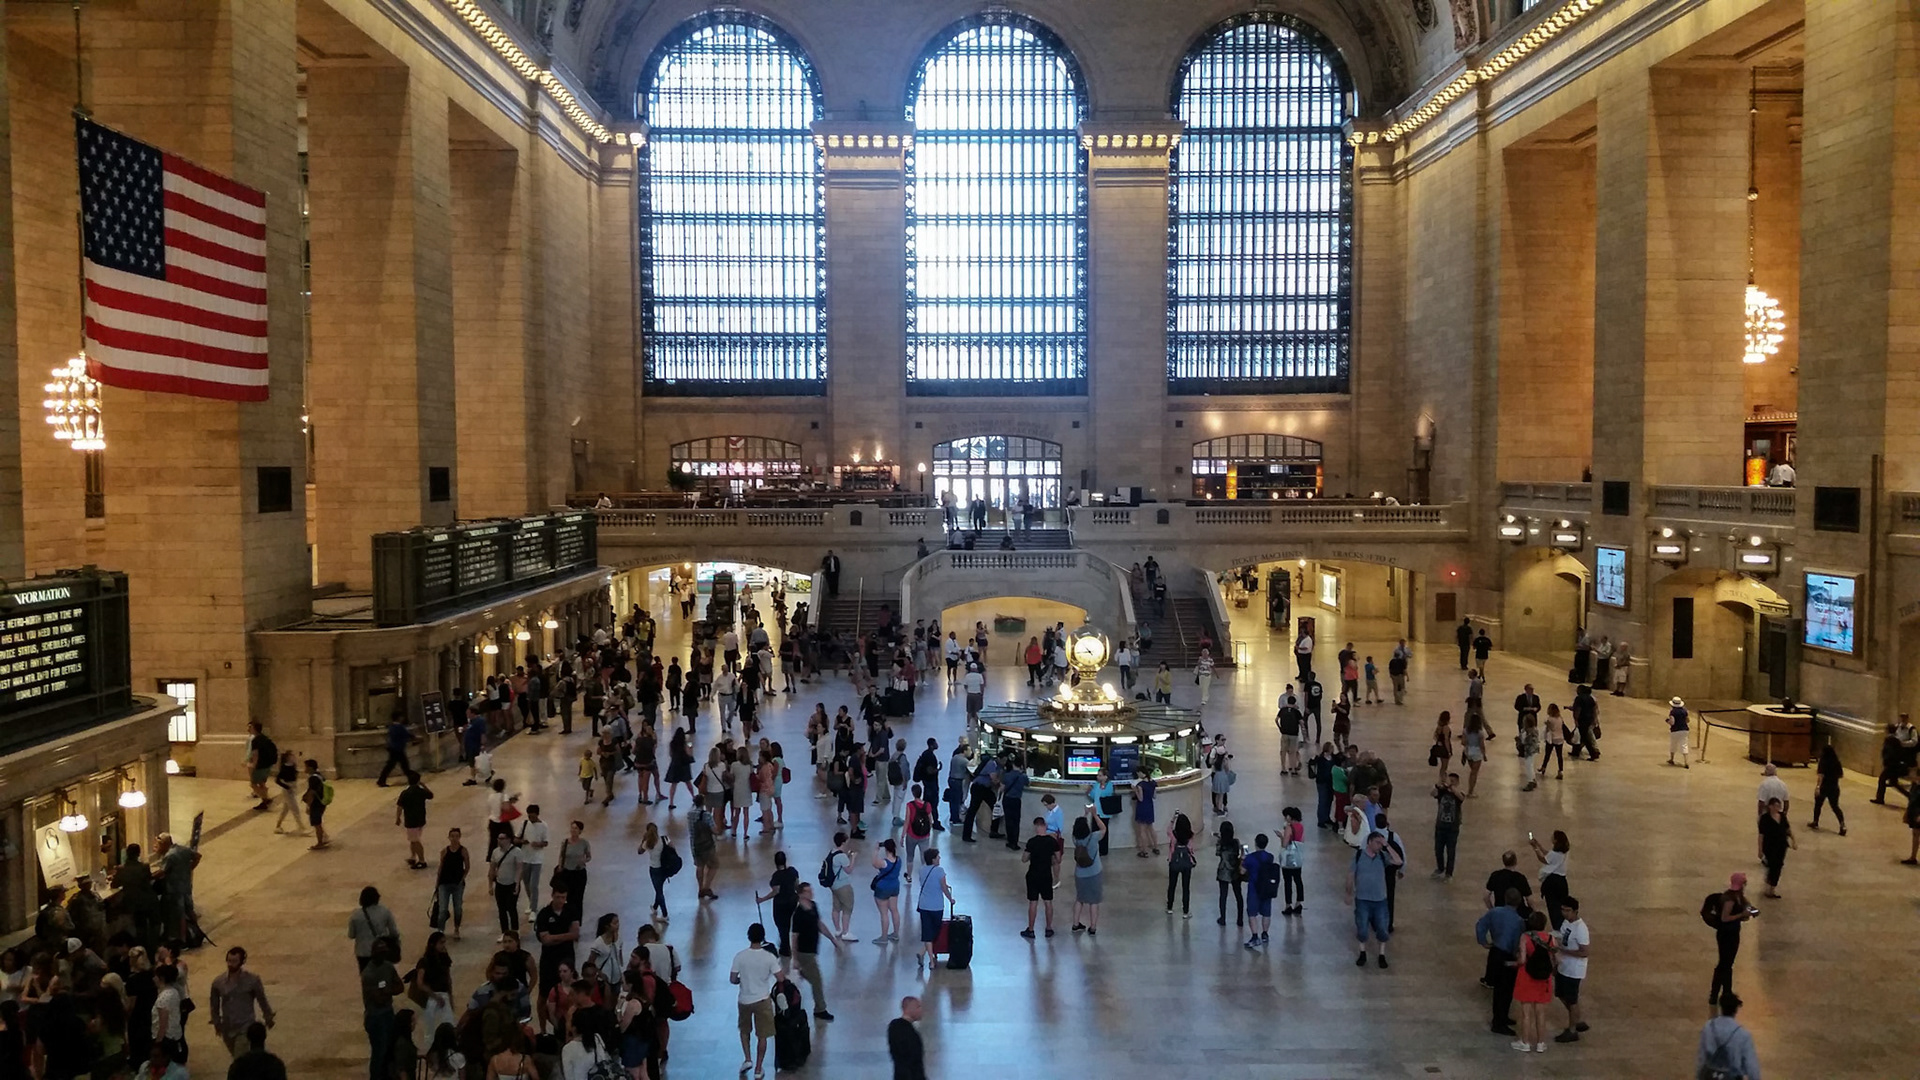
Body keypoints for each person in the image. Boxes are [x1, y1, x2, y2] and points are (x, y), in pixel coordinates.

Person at [729, 923, 781, 1079]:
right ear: (763, 936)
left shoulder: (740, 956)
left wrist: (741, 980)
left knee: (745, 1030)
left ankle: (747, 1059)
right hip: (763, 999)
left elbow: (733, 979)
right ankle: (759, 1068)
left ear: (748, 936)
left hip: (744, 999)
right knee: (762, 1035)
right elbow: (781, 978)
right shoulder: (769, 957)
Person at [1348, 830, 1401, 968]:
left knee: (1383, 928)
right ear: (1369, 842)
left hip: (1380, 900)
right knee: (1362, 928)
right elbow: (1351, 874)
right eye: (1377, 843)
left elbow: (1398, 861)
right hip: (1362, 899)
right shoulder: (1359, 855)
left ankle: (1382, 954)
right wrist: (1348, 892)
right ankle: (1362, 952)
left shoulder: (1383, 857)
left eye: (1381, 843)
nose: (1379, 846)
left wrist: (1387, 845)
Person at [208, 946, 273, 1059]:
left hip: (245, 1026)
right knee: (236, 1056)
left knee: (240, 1057)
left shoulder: (252, 980)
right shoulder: (218, 982)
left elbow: (262, 999)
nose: (230, 964)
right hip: (227, 1028)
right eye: (229, 961)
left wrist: (268, 1016)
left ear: (242, 962)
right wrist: (217, 1021)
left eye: (234, 961)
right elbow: (214, 1004)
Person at [1476, 888, 1525, 1035]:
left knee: (1498, 989)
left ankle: (1501, 1017)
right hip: (1507, 956)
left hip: (1495, 952)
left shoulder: (1494, 912)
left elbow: (1480, 926)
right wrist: (1517, 956)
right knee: (1506, 990)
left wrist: (1484, 942)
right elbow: (1516, 942)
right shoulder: (1518, 921)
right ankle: (1499, 1022)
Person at [789, 882, 835, 1021]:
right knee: (817, 981)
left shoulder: (814, 906)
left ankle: (804, 973)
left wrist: (832, 939)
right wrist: (795, 958)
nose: (812, 893)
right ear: (801, 894)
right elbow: (794, 936)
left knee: (815, 979)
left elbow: (819, 924)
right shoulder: (798, 914)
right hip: (805, 952)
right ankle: (820, 1009)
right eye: (808, 891)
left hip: (813, 949)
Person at [1512, 911, 1556, 1054]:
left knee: (1526, 1013)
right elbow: (1555, 959)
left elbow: (1523, 960)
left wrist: (1515, 961)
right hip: (1543, 978)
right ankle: (1541, 1043)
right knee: (1540, 1012)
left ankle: (1525, 1042)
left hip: (1527, 976)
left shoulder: (1525, 937)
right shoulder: (1550, 938)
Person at [1709, 874, 1756, 1004]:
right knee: (1724, 964)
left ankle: (1725, 993)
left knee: (1727, 964)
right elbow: (1725, 918)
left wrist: (1749, 911)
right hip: (1726, 934)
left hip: (1733, 933)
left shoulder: (1738, 897)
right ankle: (1717, 994)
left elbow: (1747, 907)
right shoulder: (1729, 899)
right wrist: (1741, 914)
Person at [359, 939, 401, 1080]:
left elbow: (400, 987)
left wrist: (385, 991)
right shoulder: (368, 973)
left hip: (388, 1013)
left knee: (389, 1049)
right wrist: (389, 991)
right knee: (379, 1051)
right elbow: (378, 999)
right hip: (375, 1017)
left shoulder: (388, 967)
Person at [1551, 897, 1591, 1044]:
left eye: (1567, 910)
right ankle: (1576, 1019)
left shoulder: (1581, 929)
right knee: (1561, 994)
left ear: (1575, 911)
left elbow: (1585, 951)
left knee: (1571, 999)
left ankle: (1572, 1029)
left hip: (1574, 970)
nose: (1564, 913)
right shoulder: (1566, 922)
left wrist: (1564, 951)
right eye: (1563, 910)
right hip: (1563, 965)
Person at [1697, 993, 1761, 1080]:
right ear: (1736, 1010)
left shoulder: (1709, 1027)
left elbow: (1701, 1058)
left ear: (1721, 1008)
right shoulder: (1743, 1035)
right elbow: (1752, 1068)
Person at [914, 848, 954, 972]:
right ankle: (930, 960)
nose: (939, 859)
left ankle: (926, 956)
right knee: (936, 930)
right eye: (938, 857)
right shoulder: (940, 871)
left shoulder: (921, 870)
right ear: (933, 859)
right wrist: (950, 899)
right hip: (936, 906)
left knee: (927, 932)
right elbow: (943, 887)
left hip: (924, 905)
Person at [755, 852, 801, 958]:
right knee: (789, 922)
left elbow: (776, 891)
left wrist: (762, 899)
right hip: (792, 900)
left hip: (781, 903)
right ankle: (787, 944)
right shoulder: (792, 871)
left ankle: (785, 948)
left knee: (781, 924)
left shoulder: (776, 876)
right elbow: (797, 885)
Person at [347, 886, 400, 972]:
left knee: (367, 979)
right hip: (381, 950)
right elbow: (394, 932)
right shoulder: (385, 911)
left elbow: (351, 935)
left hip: (363, 952)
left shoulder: (355, 916)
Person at [1071, 811, 1106, 936]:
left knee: (1079, 899)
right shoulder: (1094, 837)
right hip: (1094, 873)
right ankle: (1093, 927)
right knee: (1094, 901)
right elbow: (1103, 828)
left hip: (1079, 874)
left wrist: (1084, 815)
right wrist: (1095, 815)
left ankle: (1075, 924)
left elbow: (1078, 828)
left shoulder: (1075, 839)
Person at [1241, 833, 1278, 949]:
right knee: (1266, 912)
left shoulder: (1250, 858)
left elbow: (1242, 872)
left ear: (1255, 843)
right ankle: (1265, 934)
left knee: (1252, 913)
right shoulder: (1270, 857)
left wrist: (1242, 860)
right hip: (1266, 888)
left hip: (1254, 888)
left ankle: (1255, 936)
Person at [1529, 830, 1572, 928]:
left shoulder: (1555, 853)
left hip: (1552, 882)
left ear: (1556, 840)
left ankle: (1557, 927)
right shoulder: (1563, 852)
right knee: (1562, 906)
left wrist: (1535, 848)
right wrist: (1539, 845)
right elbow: (1549, 854)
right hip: (1562, 882)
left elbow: (1543, 859)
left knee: (1553, 907)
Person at [394, 772, 434, 870]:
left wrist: (398, 818)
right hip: (420, 819)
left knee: (415, 840)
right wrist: (423, 785)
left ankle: (422, 860)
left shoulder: (405, 793)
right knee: (413, 839)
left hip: (411, 821)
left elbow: (400, 806)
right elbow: (431, 795)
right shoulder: (420, 791)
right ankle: (413, 856)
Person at [1757, 798, 1795, 898]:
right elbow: (1761, 835)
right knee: (1773, 865)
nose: (1777, 808)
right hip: (1769, 846)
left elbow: (1787, 829)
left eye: (1778, 806)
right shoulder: (1765, 818)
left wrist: (1793, 840)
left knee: (1778, 866)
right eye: (1775, 806)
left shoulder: (1782, 816)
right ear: (1770, 806)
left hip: (1781, 845)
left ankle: (1771, 888)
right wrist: (1760, 850)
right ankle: (1769, 887)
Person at [1432, 772, 1464, 881]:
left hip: (1452, 829)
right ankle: (1440, 868)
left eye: (1453, 781)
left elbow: (1461, 797)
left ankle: (1449, 873)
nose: (1451, 783)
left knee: (1451, 851)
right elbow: (1433, 793)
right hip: (1440, 826)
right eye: (1450, 780)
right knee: (1438, 849)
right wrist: (1438, 785)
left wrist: (1452, 788)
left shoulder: (1458, 794)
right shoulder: (1442, 792)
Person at [1809, 744, 1847, 834]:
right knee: (1835, 806)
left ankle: (1815, 821)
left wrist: (1818, 787)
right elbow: (1841, 775)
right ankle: (1842, 824)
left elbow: (1821, 775)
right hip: (1834, 787)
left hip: (1824, 787)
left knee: (1818, 804)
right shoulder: (1837, 762)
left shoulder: (1823, 761)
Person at [871, 839, 902, 944]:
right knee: (894, 910)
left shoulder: (884, 863)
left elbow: (874, 863)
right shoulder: (899, 860)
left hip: (883, 888)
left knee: (884, 913)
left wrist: (876, 850)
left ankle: (884, 937)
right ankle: (896, 933)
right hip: (895, 886)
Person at [888, 996, 927, 1080]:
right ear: (910, 1009)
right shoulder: (906, 1031)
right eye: (918, 1007)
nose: (921, 1010)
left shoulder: (895, 1027)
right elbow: (912, 1060)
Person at [1667, 697, 1691, 768]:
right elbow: (1688, 720)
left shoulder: (1673, 712)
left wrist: (1667, 721)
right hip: (1684, 730)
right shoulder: (1684, 711)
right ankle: (1686, 762)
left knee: (1673, 744)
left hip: (1675, 730)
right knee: (1684, 745)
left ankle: (1672, 759)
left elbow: (1672, 722)